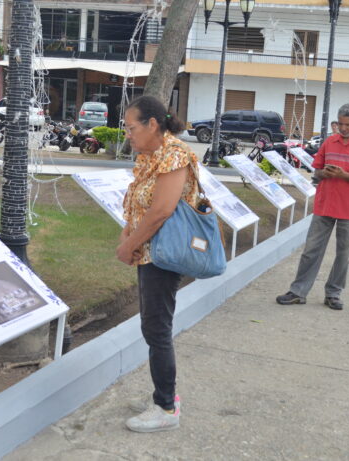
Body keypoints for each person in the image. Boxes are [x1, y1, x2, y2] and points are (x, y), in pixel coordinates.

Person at [116, 95, 198, 432]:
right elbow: (138, 204)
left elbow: (162, 210)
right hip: (148, 252)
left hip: (163, 255)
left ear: (152, 124)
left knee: (157, 328)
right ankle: (161, 395)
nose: (128, 135)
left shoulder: (173, 154)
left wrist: (129, 247)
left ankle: (166, 407)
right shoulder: (151, 155)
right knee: (153, 326)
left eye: (131, 127)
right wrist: (129, 238)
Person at [276, 103, 349, 311]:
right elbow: (317, 171)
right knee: (311, 250)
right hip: (324, 205)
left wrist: (343, 175)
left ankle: (333, 293)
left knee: (343, 253)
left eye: (348, 125)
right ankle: (298, 291)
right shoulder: (330, 142)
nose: (343, 128)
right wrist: (325, 173)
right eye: (340, 124)